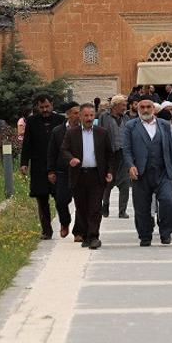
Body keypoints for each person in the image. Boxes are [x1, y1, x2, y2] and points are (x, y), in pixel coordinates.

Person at [122, 96, 172, 246]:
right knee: (142, 207)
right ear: (137, 109)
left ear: (153, 109)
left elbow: (170, 148)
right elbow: (126, 149)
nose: (145, 110)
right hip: (141, 173)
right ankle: (145, 236)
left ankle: (166, 232)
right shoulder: (130, 126)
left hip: (162, 172)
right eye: (142, 107)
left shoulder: (164, 125)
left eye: (148, 107)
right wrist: (130, 165)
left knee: (168, 202)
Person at [61, 103, 114, 249]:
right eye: (86, 115)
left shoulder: (102, 133)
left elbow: (110, 154)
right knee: (82, 208)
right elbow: (64, 150)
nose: (89, 118)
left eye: (91, 115)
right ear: (80, 116)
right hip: (79, 175)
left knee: (95, 207)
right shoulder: (72, 133)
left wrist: (109, 171)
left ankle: (94, 236)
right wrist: (71, 159)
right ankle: (85, 235)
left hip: (97, 175)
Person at [20, 93, 65, 240]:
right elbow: (27, 143)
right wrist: (24, 163)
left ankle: (64, 223)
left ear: (52, 105)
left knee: (61, 198)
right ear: (37, 107)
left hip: (58, 165)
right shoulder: (32, 122)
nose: (45, 109)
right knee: (41, 198)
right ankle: (46, 230)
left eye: (47, 106)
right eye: (41, 107)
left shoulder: (60, 120)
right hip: (39, 166)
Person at [47, 102, 84, 240]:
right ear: (68, 114)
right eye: (75, 113)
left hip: (81, 172)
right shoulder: (58, 131)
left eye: (79, 113)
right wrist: (51, 170)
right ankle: (65, 222)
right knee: (61, 201)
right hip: (63, 172)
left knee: (81, 202)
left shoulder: (84, 130)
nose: (78, 116)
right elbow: (52, 152)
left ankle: (79, 231)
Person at [100, 94, 131, 219]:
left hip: (124, 155)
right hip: (110, 155)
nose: (125, 107)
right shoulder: (104, 117)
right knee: (108, 183)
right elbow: (100, 133)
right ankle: (105, 205)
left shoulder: (126, 118)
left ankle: (122, 210)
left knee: (124, 184)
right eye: (123, 105)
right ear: (115, 105)